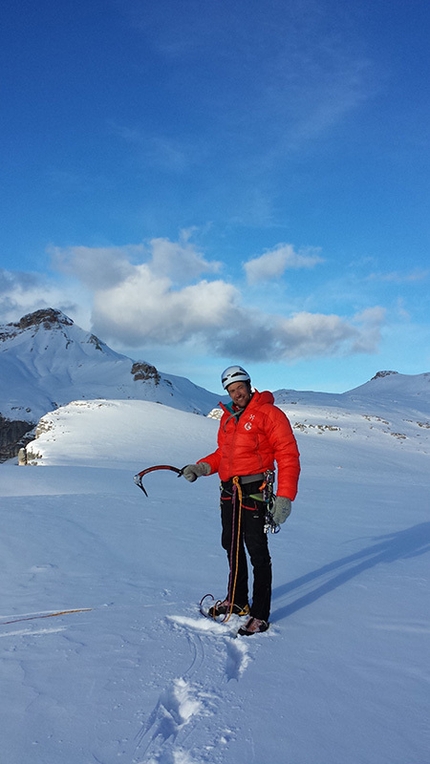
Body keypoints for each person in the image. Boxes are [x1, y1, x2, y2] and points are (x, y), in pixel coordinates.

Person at [182, 365, 300, 635]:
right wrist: (201, 468)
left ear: (249, 385)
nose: (237, 394)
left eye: (240, 388)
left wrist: (285, 497)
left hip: (254, 492)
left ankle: (260, 614)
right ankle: (237, 601)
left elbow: (288, 455)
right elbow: (223, 454)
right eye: (231, 391)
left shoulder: (269, 414)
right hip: (229, 493)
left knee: (257, 551)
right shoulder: (228, 418)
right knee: (231, 545)